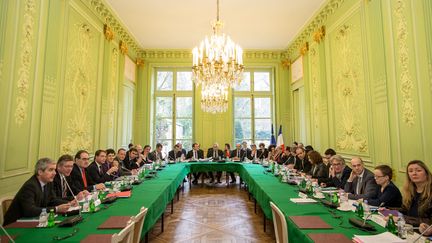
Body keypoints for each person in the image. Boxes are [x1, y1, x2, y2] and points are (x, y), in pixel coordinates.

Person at [3, 158, 72, 226]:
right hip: (15, 225)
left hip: (34, 220)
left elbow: (52, 200)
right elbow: (30, 211)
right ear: (40, 172)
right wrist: (56, 209)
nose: (54, 173)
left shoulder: (48, 182)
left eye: (54, 170)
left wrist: (69, 203)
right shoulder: (30, 186)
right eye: (51, 170)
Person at [400, 160, 432, 226]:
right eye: (410, 171)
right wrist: (388, 210)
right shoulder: (409, 190)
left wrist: (401, 218)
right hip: (410, 228)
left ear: (426, 173)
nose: (414, 173)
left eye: (418, 170)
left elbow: (429, 221)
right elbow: (404, 210)